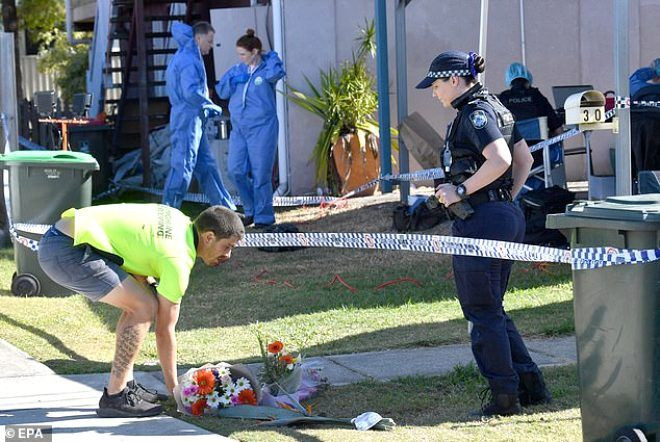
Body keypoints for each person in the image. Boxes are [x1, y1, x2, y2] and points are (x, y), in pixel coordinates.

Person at [416, 51, 551, 416]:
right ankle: (531, 385)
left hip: (482, 220)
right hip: (503, 215)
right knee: (492, 308)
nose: (434, 93)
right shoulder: (499, 107)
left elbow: (502, 160)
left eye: (437, 85)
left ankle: (505, 398)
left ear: (456, 80)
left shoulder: (475, 114)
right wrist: (505, 197)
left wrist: (462, 191)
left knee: (481, 311)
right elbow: (526, 161)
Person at [37, 204, 244, 417]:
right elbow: (164, 331)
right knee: (143, 307)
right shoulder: (177, 260)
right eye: (227, 246)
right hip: (66, 249)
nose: (228, 255)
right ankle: (115, 397)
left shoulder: (180, 220)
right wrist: (175, 391)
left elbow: (135, 250)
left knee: (141, 302)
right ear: (209, 237)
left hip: (63, 239)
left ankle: (125, 386)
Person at [163, 21, 236, 211]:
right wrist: (209, 105)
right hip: (188, 118)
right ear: (199, 38)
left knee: (207, 166)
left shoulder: (188, 56)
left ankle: (225, 210)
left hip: (194, 118)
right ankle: (168, 213)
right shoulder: (189, 59)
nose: (211, 47)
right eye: (210, 42)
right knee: (183, 166)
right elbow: (190, 93)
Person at [216, 29, 285, 228]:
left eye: (243, 54)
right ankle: (251, 209)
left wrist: (271, 58)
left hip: (262, 129)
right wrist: (232, 79)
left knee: (261, 174)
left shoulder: (267, 69)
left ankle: (263, 217)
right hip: (240, 129)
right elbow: (222, 90)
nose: (240, 58)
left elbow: (277, 73)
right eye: (239, 54)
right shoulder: (239, 70)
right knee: (235, 170)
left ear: (255, 52)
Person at [498, 62, 564, 185]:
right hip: (539, 158)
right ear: (527, 78)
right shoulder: (537, 96)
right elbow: (559, 130)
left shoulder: (503, 99)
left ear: (509, 80)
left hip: (512, 158)